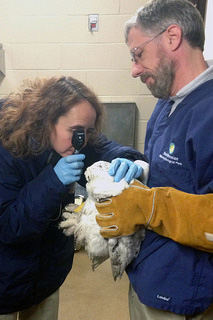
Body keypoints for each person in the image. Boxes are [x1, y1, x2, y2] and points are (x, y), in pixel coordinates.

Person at [95, 0, 213, 319]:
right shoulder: (166, 102)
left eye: (138, 55)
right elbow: (175, 171)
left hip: (184, 292)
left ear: (172, 37)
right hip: (150, 272)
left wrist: (150, 206)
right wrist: (143, 170)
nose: (134, 69)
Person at [0, 76, 145, 319]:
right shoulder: (6, 145)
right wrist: (52, 182)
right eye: (77, 131)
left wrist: (130, 160)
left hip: (46, 275)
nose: (83, 141)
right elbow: (8, 225)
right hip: (5, 277)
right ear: (46, 120)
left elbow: (103, 147)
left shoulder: (73, 141)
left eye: (88, 132)